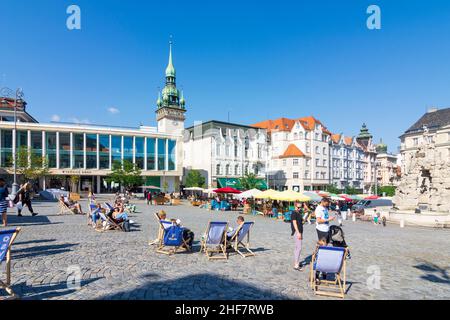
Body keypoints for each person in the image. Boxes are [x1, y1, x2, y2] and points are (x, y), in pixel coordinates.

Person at [291, 202, 304, 271]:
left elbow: (300, 222)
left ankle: (296, 262)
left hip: (300, 231)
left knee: (297, 247)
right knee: (299, 248)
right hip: (297, 232)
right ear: (295, 206)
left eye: (300, 207)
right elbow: (294, 223)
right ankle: (296, 264)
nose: (299, 208)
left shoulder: (299, 213)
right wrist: (298, 232)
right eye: (298, 207)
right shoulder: (294, 213)